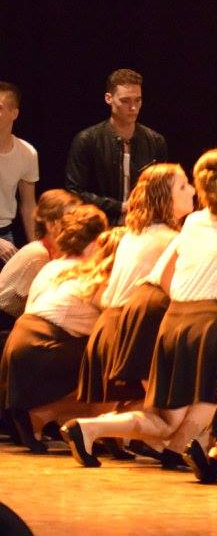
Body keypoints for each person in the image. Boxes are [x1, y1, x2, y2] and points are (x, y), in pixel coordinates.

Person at [60, 149, 217, 468]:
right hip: (212, 323)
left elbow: (165, 275)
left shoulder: (194, 222)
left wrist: (193, 300)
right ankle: (184, 451)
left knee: (167, 419)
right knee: (216, 394)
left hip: (174, 320)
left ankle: (88, 428)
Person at [77, 164, 195, 407]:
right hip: (132, 333)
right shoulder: (169, 240)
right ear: (164, 197)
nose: (193, 191)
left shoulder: (134, 234)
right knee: (163, 414)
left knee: (130, 415)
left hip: (109, 327)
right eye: (183, 186)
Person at [0, 205, 110, 452]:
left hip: (19, 341)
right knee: (109, 365)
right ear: (96, 242)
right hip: (43, 346)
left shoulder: (53, 265)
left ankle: (48, 420)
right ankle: (44, 417)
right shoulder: (89, 272)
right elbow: (108, 313)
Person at [65, 69, 168, 222]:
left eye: (138, 100)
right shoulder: (87, 140)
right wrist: (120, 207)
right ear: (109, 98)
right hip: (99, 225)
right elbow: (75, 192)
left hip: (142, 224)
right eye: (125, 101)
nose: (133, 107)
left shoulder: (155, 141)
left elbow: (162, 189)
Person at [0, 190, 79, 330]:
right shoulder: (39, 253)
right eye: (69, 219)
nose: (76, 225)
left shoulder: (54, 251)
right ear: (51, 225)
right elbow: (30, 308)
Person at [0, 82, 38, 245]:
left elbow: (28, 205)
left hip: (4, 233)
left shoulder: (27, 153)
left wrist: (35, 247)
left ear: (14, 113)